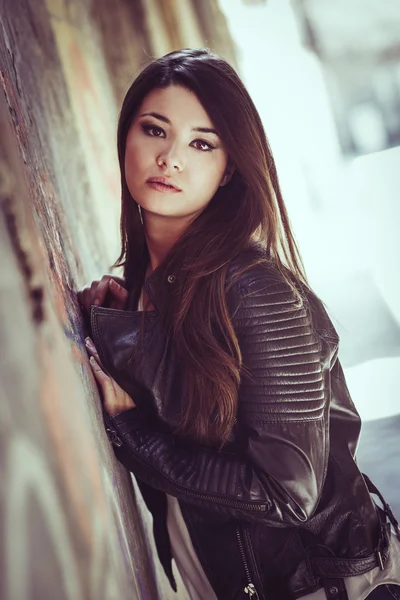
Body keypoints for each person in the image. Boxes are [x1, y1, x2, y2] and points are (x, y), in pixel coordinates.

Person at [77, 48, 400, 600]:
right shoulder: (165, 288)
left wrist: (135, 435)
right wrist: (128, 327)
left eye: (202, 143)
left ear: (229, 169)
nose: (170, 158)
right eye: (155, 130)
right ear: (125, 138)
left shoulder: (257, 290)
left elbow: (287, 491)